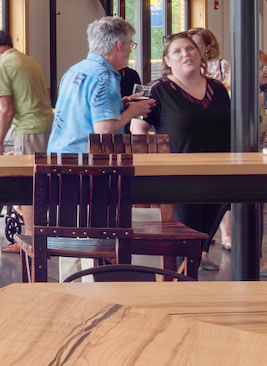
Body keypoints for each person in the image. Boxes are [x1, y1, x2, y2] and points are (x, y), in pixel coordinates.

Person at [131, 31, 231, 269]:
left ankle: (188, 289)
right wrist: (155, 169)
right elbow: (138, 131)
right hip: (180, 180)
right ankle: (177, 291)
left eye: (190, 48)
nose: (185, 54)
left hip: (218, 178)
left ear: (200, 54)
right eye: (177, 51)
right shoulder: (158, 90)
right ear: (167, 61)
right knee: (184, 244)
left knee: (201, 240)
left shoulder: (217, 89)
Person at [47, 16, 153, 155]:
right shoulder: (104, 76)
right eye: (131, 44)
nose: (130, 50)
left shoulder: (75, 70)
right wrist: (133, 111)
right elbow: (104, 131)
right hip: (84, 163)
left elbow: (83, 112)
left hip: (59, 155)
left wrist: (121, 106)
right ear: (120, 45)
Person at [0, 28, 54, 156]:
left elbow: (8, 110)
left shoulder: (2, 66)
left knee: (26, 175)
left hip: (29, 129)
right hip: (48, 128)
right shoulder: (28, 60)